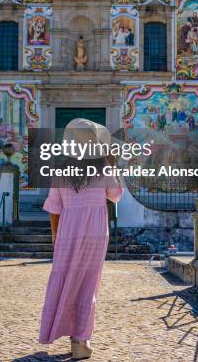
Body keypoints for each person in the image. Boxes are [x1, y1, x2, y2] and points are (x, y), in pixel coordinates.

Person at [39, 118, 123, 359]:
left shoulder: (61, 171)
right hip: (96, 232)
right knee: (88, 282)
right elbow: (116, 195)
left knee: (65, 280)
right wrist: (112, 163)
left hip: (67, 231)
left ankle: (63, 332)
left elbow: (54, 209)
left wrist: (56, 236)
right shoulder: (103, 168)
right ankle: (80, 341)